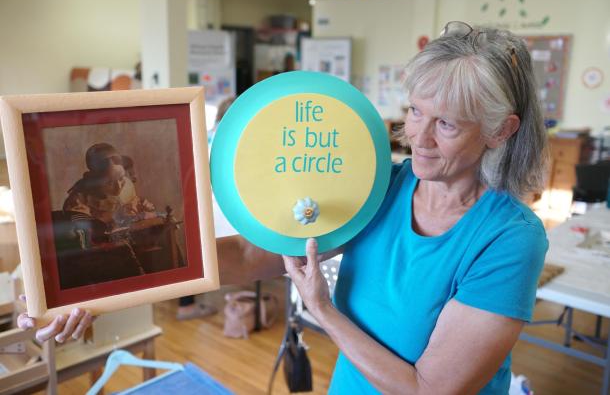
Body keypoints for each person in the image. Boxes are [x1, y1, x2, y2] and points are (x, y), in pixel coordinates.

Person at [20, 21, 548, 394]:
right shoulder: (383, 186)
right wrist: (96, 292)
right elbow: (253, 257)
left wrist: (321, 310)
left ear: (502, 130)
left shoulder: (509, 239)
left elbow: (430, 388)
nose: (419, 138)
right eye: (414, 112)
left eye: (448, 124)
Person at [176, 95, 236, 321]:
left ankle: (187, 304)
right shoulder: (230, 137)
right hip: (213, 204)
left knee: (192, 254)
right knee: (202, 256)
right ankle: (187, 306)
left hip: (194, 200)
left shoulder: (208, 133)